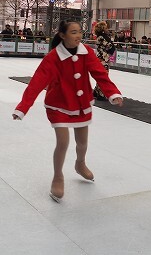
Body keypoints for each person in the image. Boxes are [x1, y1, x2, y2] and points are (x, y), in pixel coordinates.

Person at [12, 19, 123, 202]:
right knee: (63, 143)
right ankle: (58, 176)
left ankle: (80, 163)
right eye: (73, 32)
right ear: (62, 35)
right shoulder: (53, 57)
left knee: (82, 143)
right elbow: (37, 82)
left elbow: (99, 73)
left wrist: (112, 93)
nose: (78, 35)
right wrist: (23, 107)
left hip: (81, 104)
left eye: (80, 31)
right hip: (59, 104)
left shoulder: (86, 51)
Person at [93, 21, 116, 101]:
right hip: (102, 58)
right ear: (103, 29)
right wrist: (111, 40)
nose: (107, 29)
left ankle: (96, 91)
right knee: (103, 75)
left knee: (102, 75)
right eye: (106, 28)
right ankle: (100, 93)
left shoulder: (101, 37)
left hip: (102, 58)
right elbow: (110, 46)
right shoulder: (102, 37)